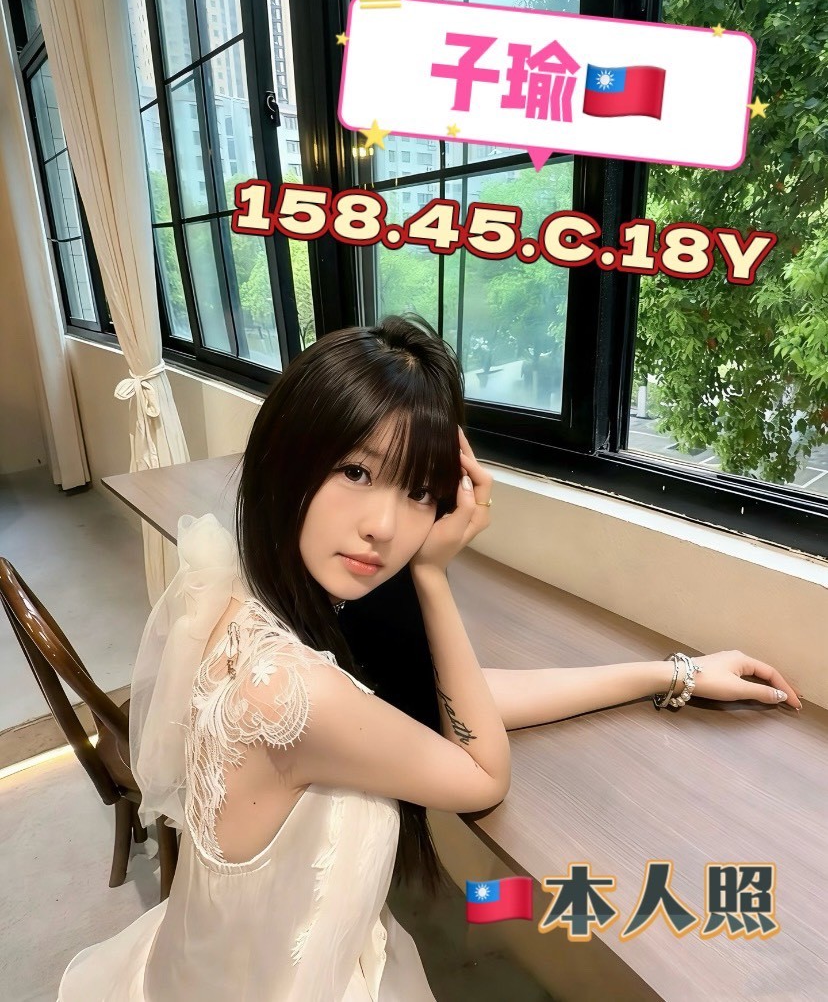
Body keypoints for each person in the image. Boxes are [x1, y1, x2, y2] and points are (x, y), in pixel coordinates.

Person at [57, 314, 802, 1002]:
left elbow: (445, 700)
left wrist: (670, 673)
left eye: (419, 491)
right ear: (289, 452)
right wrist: (434, 577)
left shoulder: (245, 596)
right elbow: (482, 772)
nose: (384, 525)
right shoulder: (291, 691)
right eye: (356, 471)